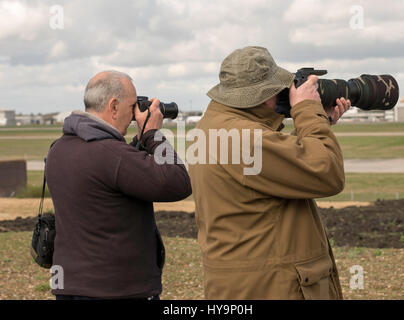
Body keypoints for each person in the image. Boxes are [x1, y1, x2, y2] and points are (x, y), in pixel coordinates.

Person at [188, 46, 351, 299]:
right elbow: (326, 172)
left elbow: (273, 170)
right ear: (264, 95)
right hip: (272, 286)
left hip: (243, 283)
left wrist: (320, 121)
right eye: (277, 89)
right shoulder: (243, 137)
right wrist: (308, 110)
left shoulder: (213, 126)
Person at [45, 70, 192, 300]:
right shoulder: (111, 154)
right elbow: (178, 182)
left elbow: (116, 171)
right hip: (116, 290)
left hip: (70, 285)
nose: (135, 114)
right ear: (113, 106)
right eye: (133, 105)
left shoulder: (59, 148)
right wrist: (152, 134)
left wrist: (139, 139)